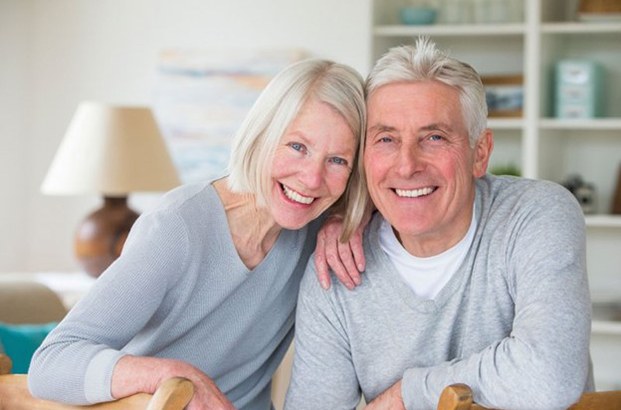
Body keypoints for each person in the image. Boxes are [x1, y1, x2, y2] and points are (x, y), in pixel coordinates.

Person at [28, 58, 367, 410]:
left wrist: (347, 218)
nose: (312, 179)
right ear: (262, 135)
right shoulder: (177, 227)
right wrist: (171, 375)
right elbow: (51, 364)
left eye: (337, 161)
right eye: (298, 147)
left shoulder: (319, 232)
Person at [285, 37, 593, 410]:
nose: (407, 165)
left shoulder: (535, 216)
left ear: (479, 154)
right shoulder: (336, 265)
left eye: (434, 137)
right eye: (386, 139)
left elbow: (548, 378)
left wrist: (408, 393)